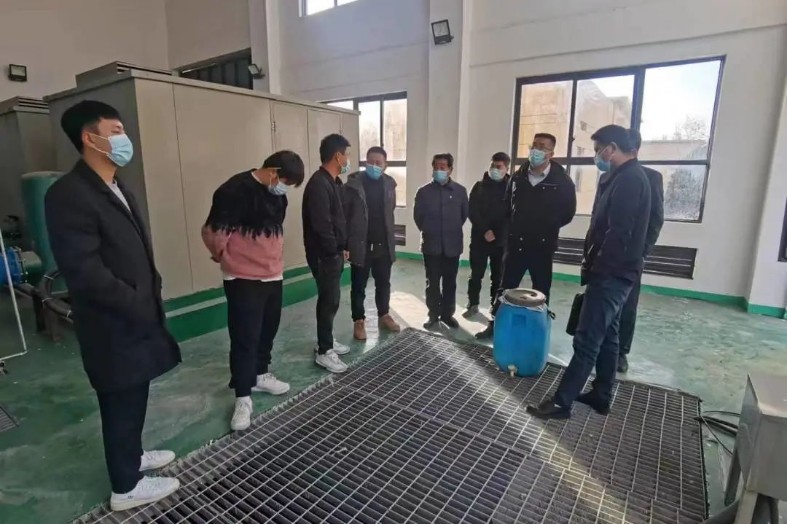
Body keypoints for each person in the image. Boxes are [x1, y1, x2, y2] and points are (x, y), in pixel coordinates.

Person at [45, 100, 181, 511]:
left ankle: (132, 456)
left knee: (134, 390)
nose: (125, 139)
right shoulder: (68, 195)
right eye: (116, 131)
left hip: (135, 313)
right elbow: (84, 271)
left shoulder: (116, 185)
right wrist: (134, 300)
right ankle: (126, 487)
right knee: (119, 396)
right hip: (111, 321)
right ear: (90, 138)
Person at [527, 124, 651, 420]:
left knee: (587, 339)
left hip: (611, 273)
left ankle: (562, 402)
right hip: (619, 272)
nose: (596, 156)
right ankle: (601, 394)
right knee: (609, 335)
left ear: (612, 148)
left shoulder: (629, 180)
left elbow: (618, 232)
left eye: (597, 150)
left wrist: (599, 269)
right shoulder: (624, 177)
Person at [202, 151, 306, 431]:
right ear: (273, 172)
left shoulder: (278, 195)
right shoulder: (233, 190)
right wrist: (226, 258)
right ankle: (242, 396)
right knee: (244, 336)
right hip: (243, 276)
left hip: (273, 273)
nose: (285, 188)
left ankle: (260, 374)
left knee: (267, 329)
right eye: (285, 181)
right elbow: (213, 233)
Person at [476, 133, 576, 339]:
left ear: (551, 153)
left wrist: (547, 227)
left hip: (543, 246)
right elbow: (507, 206)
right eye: (535, 145)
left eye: (543, 147)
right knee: (505, 288)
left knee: (541, 290)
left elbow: (568, 212)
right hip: (516, 244)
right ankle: (495, 325)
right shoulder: (518, 176)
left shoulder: (562, 181)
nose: (537, 150)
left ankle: (538, 332)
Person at [303, 134, 352, 373]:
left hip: (333, 253)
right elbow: (322, 225)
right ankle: (324, 351)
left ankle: (327, 340)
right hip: (324, 255)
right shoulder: (318, 185)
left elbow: (338, 220)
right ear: (338, 156)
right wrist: (334, 251)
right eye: (347, 155)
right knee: (328, 300)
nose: (348, 160)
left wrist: (342, 247)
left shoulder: (333, 182)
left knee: (331, 300)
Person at [617, 129, 665, 373]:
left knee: (627, 304)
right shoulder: (608, 176)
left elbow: (656, 219)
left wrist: (642, 252)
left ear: (633, 150)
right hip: (604, 256)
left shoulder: (650, 177)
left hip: (632, 256)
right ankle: (600, 347)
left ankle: (621, 352)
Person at [343, 146, 402, 341]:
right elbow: (345, 215)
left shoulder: (389, 185)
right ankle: (359, 320)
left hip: (383, 244)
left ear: (385, 165)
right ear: (365, 162)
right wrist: (346, 243)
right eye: (370, 162)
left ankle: (384, 315)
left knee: (383, 283)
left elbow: (390, 210)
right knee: (358, 286)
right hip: (361, 245)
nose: (374, 165)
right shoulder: (353, 185)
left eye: (378, 163)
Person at [414, 153, 469, 329]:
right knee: (432, 283)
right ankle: (433, 315)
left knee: (450, 283)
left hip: (452, 245)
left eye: (443, 167)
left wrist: (448, 231)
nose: (439, 170)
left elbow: (463, 215)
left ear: (450, 169)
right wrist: (431, 231)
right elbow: (418, 217)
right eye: (436, 167)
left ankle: (447, 315)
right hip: (431, 245)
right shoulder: (423, 192)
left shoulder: (460, 191)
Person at [464, 152, 511, 317]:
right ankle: (472, 304)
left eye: (498, 166)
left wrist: (497, 233)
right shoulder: (479, 187)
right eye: (492, 165)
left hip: (500, 242)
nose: (494, 169)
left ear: (506, 169)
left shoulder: (511, 188)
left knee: (498, 277)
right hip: (479, 239)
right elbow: (472, 211)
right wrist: (485, 230)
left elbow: (511, 215)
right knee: (475, 275)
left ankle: (495, 306)